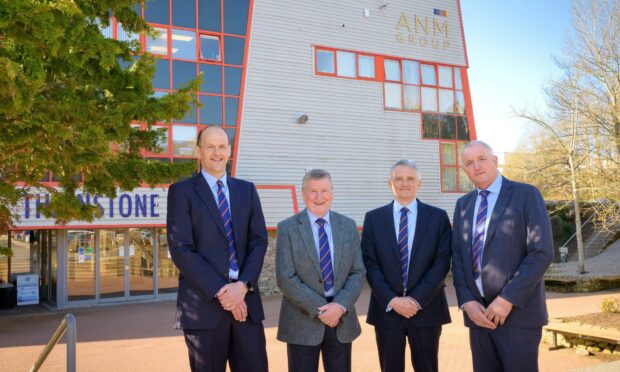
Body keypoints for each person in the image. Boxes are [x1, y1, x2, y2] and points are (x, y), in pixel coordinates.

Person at [167, 126, 269, 372]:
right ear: (198, 151)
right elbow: (181, 248)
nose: (217, 152)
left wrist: (242, 286)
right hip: (204, 308)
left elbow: (259, 241)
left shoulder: (247, 190)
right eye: (210, 146)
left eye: (222, 146)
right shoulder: (181, 192)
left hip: (246, 305)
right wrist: (225, 292)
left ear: (230, 151)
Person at [451, 140, 554, 372]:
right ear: (464, 170)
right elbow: (457, 258)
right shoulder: (463, 205)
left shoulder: (526, 194)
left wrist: (506, 299)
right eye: (469, 163)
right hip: (478, 317)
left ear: (495, 161)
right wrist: (467, 301)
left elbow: (541, 252)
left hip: (518, 313)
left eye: (482, 159)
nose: (476, 166)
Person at [361, 160, 452, 372]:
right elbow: (370, 263)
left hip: (426, 309)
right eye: (398, 179)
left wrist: (415, 299)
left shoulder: (438, 217)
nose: (404, 183)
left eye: (410, 178)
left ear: (419, 183)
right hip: (387, 311)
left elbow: (442, 262)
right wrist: (393, 300)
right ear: (389, 183)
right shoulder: (373, 219)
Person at [276, 169, 366, 372]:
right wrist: (321, 309)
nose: (319, 197)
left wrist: (339, 306)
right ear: (303, 193)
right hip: (301, 322)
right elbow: (285, 277)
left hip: (340, 321)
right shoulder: (288, 228)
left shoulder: (348, 226)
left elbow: (357, 272)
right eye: (312, 191)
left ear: (332, 192)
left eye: (324, 190)